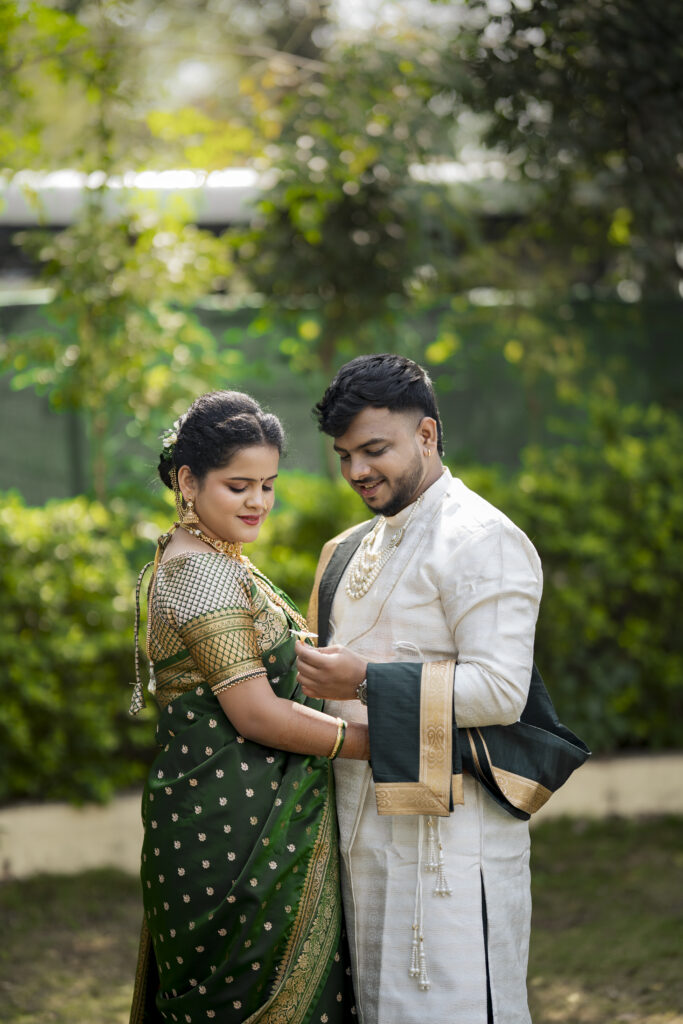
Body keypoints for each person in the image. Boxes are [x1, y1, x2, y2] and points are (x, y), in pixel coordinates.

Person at [295, 354, 546, 1024]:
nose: (356, 471)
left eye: (374, 450)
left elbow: (501, 690)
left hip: (451, 848)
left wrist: (364, 680)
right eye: (344, 456)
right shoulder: (351, 547)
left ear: (427, 435)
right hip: (361, 834)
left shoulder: (480, 538)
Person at [128, 390, 368, 1024]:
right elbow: (255, 714)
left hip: (227, 819)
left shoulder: (206, 556)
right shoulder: (202, 573)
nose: (258, 502)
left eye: (268, 485)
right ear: (188, 481)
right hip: (237, 837)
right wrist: (375, 742)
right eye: (239, 486)